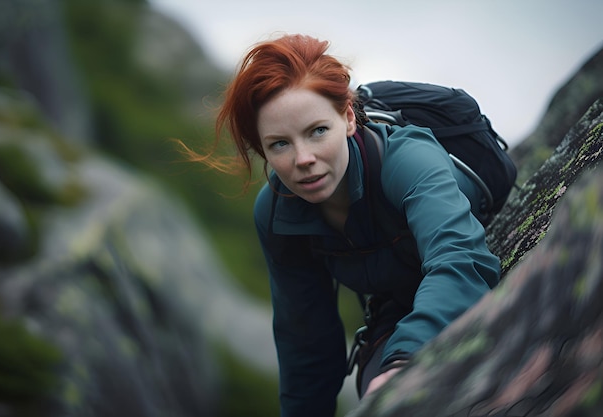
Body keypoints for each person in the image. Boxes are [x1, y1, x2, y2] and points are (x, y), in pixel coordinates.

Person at [182, 33, 500, 417]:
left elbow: (461, 260)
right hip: (394, 309)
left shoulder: (408, 158)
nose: (303, 159)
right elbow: (306, 342)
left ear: (348, 118)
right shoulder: (276, 212)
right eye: (279, 144)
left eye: (317, 131)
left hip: (452, 282)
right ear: (262, 150)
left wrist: (402, 363)